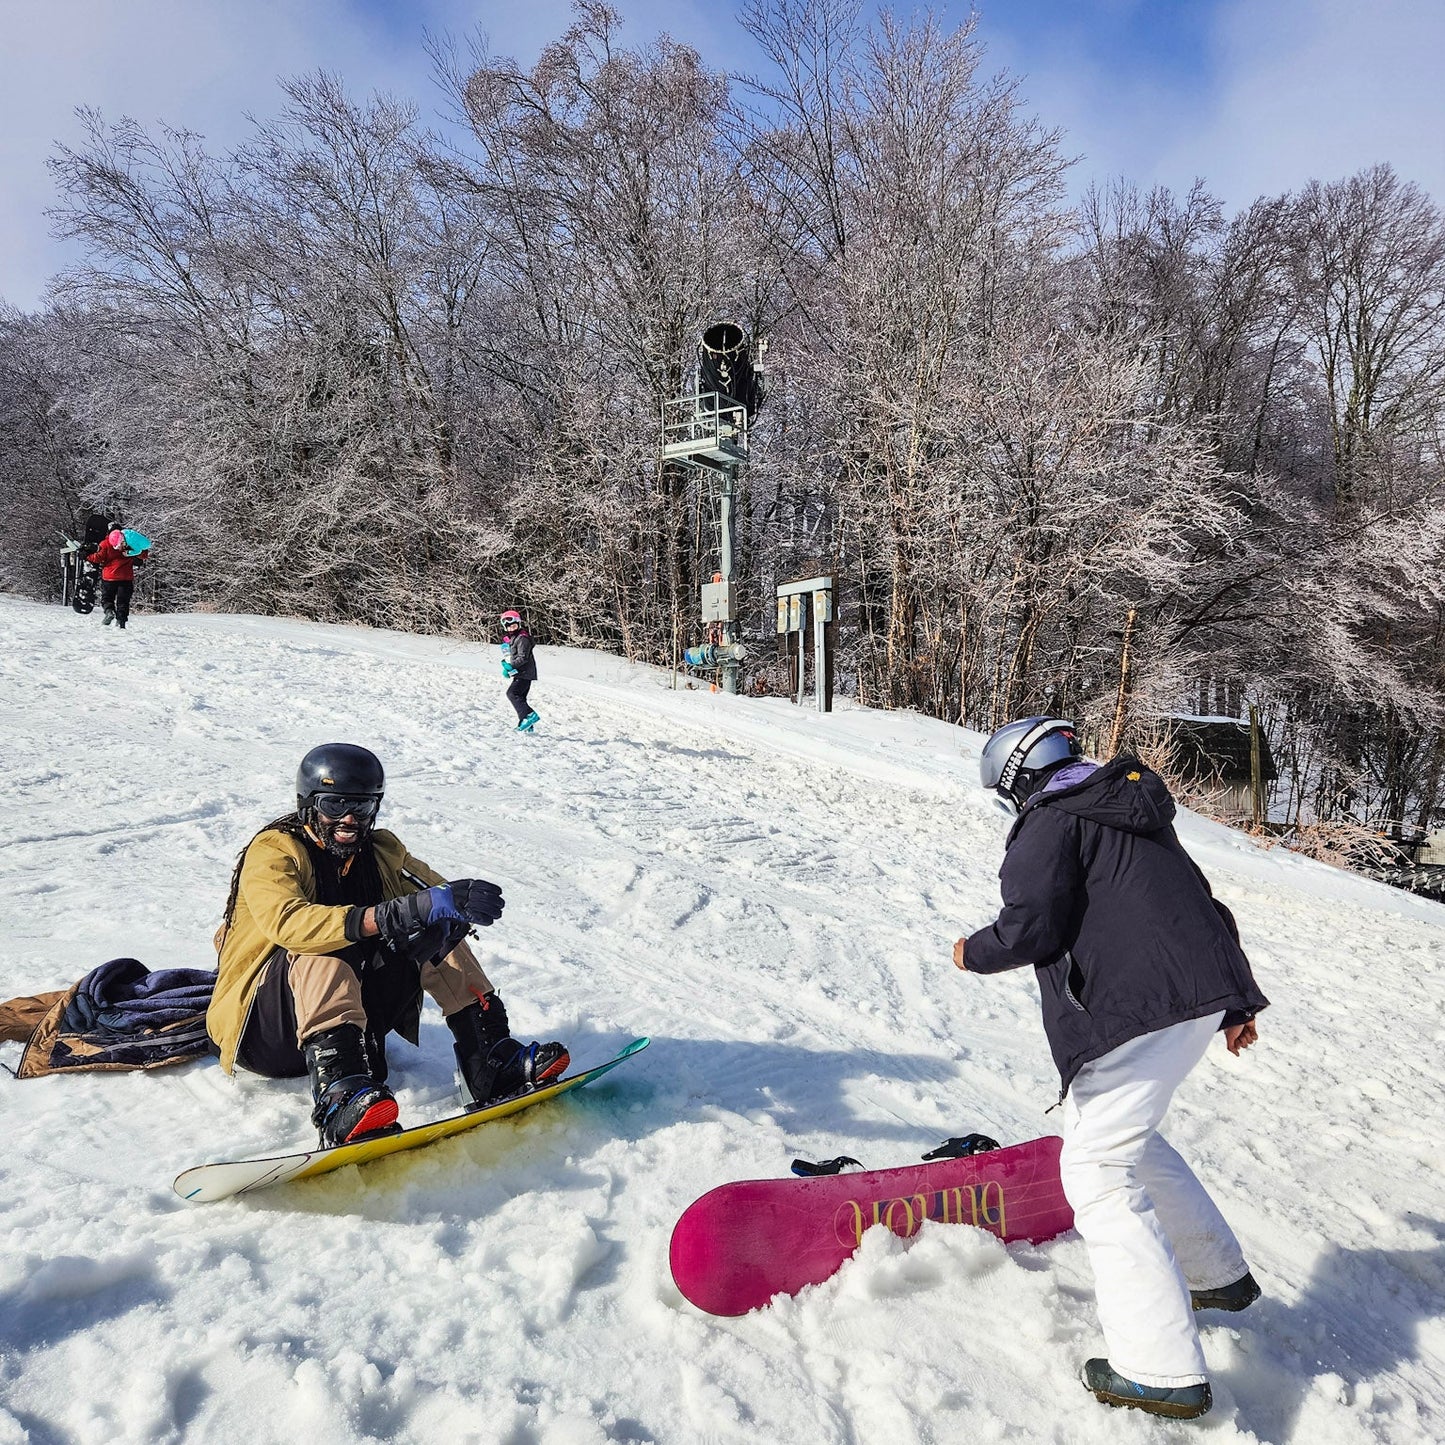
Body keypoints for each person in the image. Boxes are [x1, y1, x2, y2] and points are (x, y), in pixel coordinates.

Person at [953, 716, 1269, 1421]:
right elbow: (1202, 906)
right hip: (1182, 1002)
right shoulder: (1131, 810)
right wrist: (1233, 1000)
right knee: (1120, 1136)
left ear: (1015, 782)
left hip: (1137, 1009)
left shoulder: (1050, 818)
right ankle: (1213, 1273)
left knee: (1097, 1171)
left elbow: (1029, 922)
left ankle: (1158, 1367)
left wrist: (970, 951)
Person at [206, 742, 569, 1147]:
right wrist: (387, 916)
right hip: (264, 1033)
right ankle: (339, 1095)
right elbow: (287, 922)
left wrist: (455, 903)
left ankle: (489, 1059)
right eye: (334, 805)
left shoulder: (380, 850)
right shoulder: (275, 850)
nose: (347, 820)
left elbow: (430, 895)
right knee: (324, 939)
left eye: (360, 808)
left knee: (436, 929)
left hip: (354, 1024)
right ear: (308, 804)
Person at [86, 528, 146, 629]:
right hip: (126, 578)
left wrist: (87, 556)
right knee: (123, 601)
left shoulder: (106, 543)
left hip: (109, 577)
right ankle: (121, 622)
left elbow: (98, 558)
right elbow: (142, 554)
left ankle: (109, 611)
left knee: (107, 598)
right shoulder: (128, 543)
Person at [500, 608, 540, 732]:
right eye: (508, 627)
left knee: (512, 693)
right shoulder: (513, 639)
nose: (511, 628)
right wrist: (507, 665)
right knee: (520, 698)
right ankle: (527, 725)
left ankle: (531, 716)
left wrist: (512, 666)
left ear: (518, 624)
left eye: (513, 625)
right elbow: (512, 656)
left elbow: (523, 657)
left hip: (525, 672)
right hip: (520, 672)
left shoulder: (522, 638)